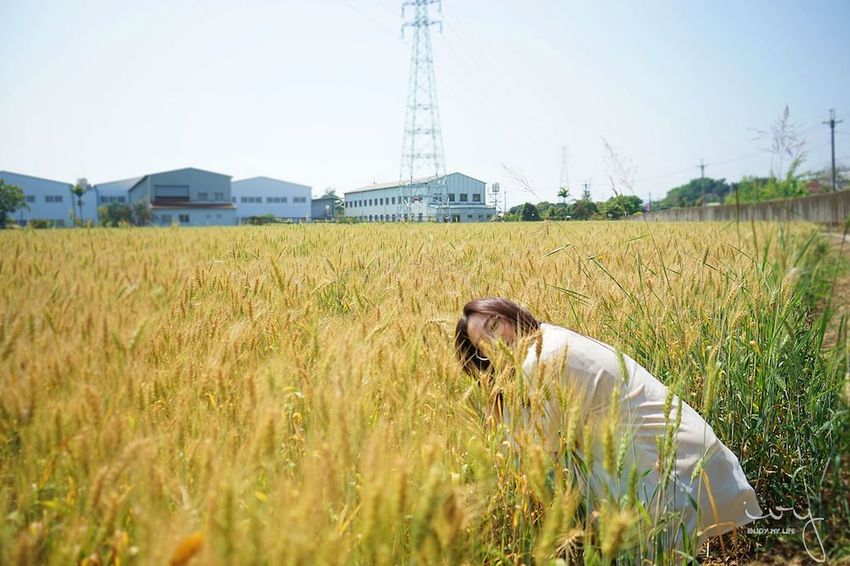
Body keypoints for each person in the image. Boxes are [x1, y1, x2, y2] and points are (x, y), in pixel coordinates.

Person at [454, 297, 763, 555]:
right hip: (675, 451)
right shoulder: (549, 336)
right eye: (484, 344)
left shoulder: (542, 359)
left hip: (667, 467)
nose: (496, 341)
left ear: (508, 312)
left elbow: (533, 449)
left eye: (494, 326)